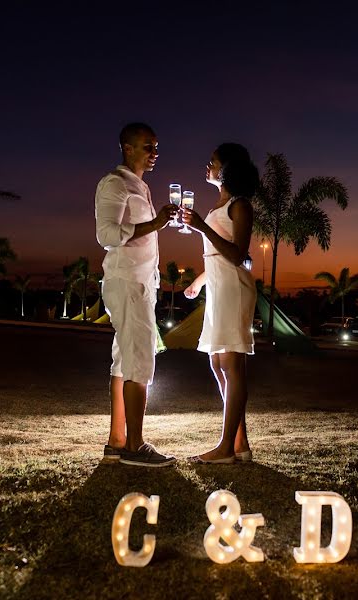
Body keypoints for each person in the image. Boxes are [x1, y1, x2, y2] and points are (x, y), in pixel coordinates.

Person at [95, 122, 178, 467]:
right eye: (148, 146)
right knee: (141, 361)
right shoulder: (115, 183)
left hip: (141, 282)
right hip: (127, 281)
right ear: (127, 148)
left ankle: (117, 441)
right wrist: (155, 224)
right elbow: (106, 234)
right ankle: (135, 446)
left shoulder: (140, 187)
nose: (154, 153)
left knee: (124, 360)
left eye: (156, 146)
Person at [181, 143, 259, 464]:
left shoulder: (240, 206)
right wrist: (198, 283)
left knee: (231, 363)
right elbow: (216, 255)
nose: (207, 165)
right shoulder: (219, 207)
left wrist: (201, 227)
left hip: (233, 289)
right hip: (217, 288)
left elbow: (238, 255)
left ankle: (226, 447)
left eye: (212, 161)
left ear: (226, 169)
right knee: (217, 362)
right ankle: (240, 444)